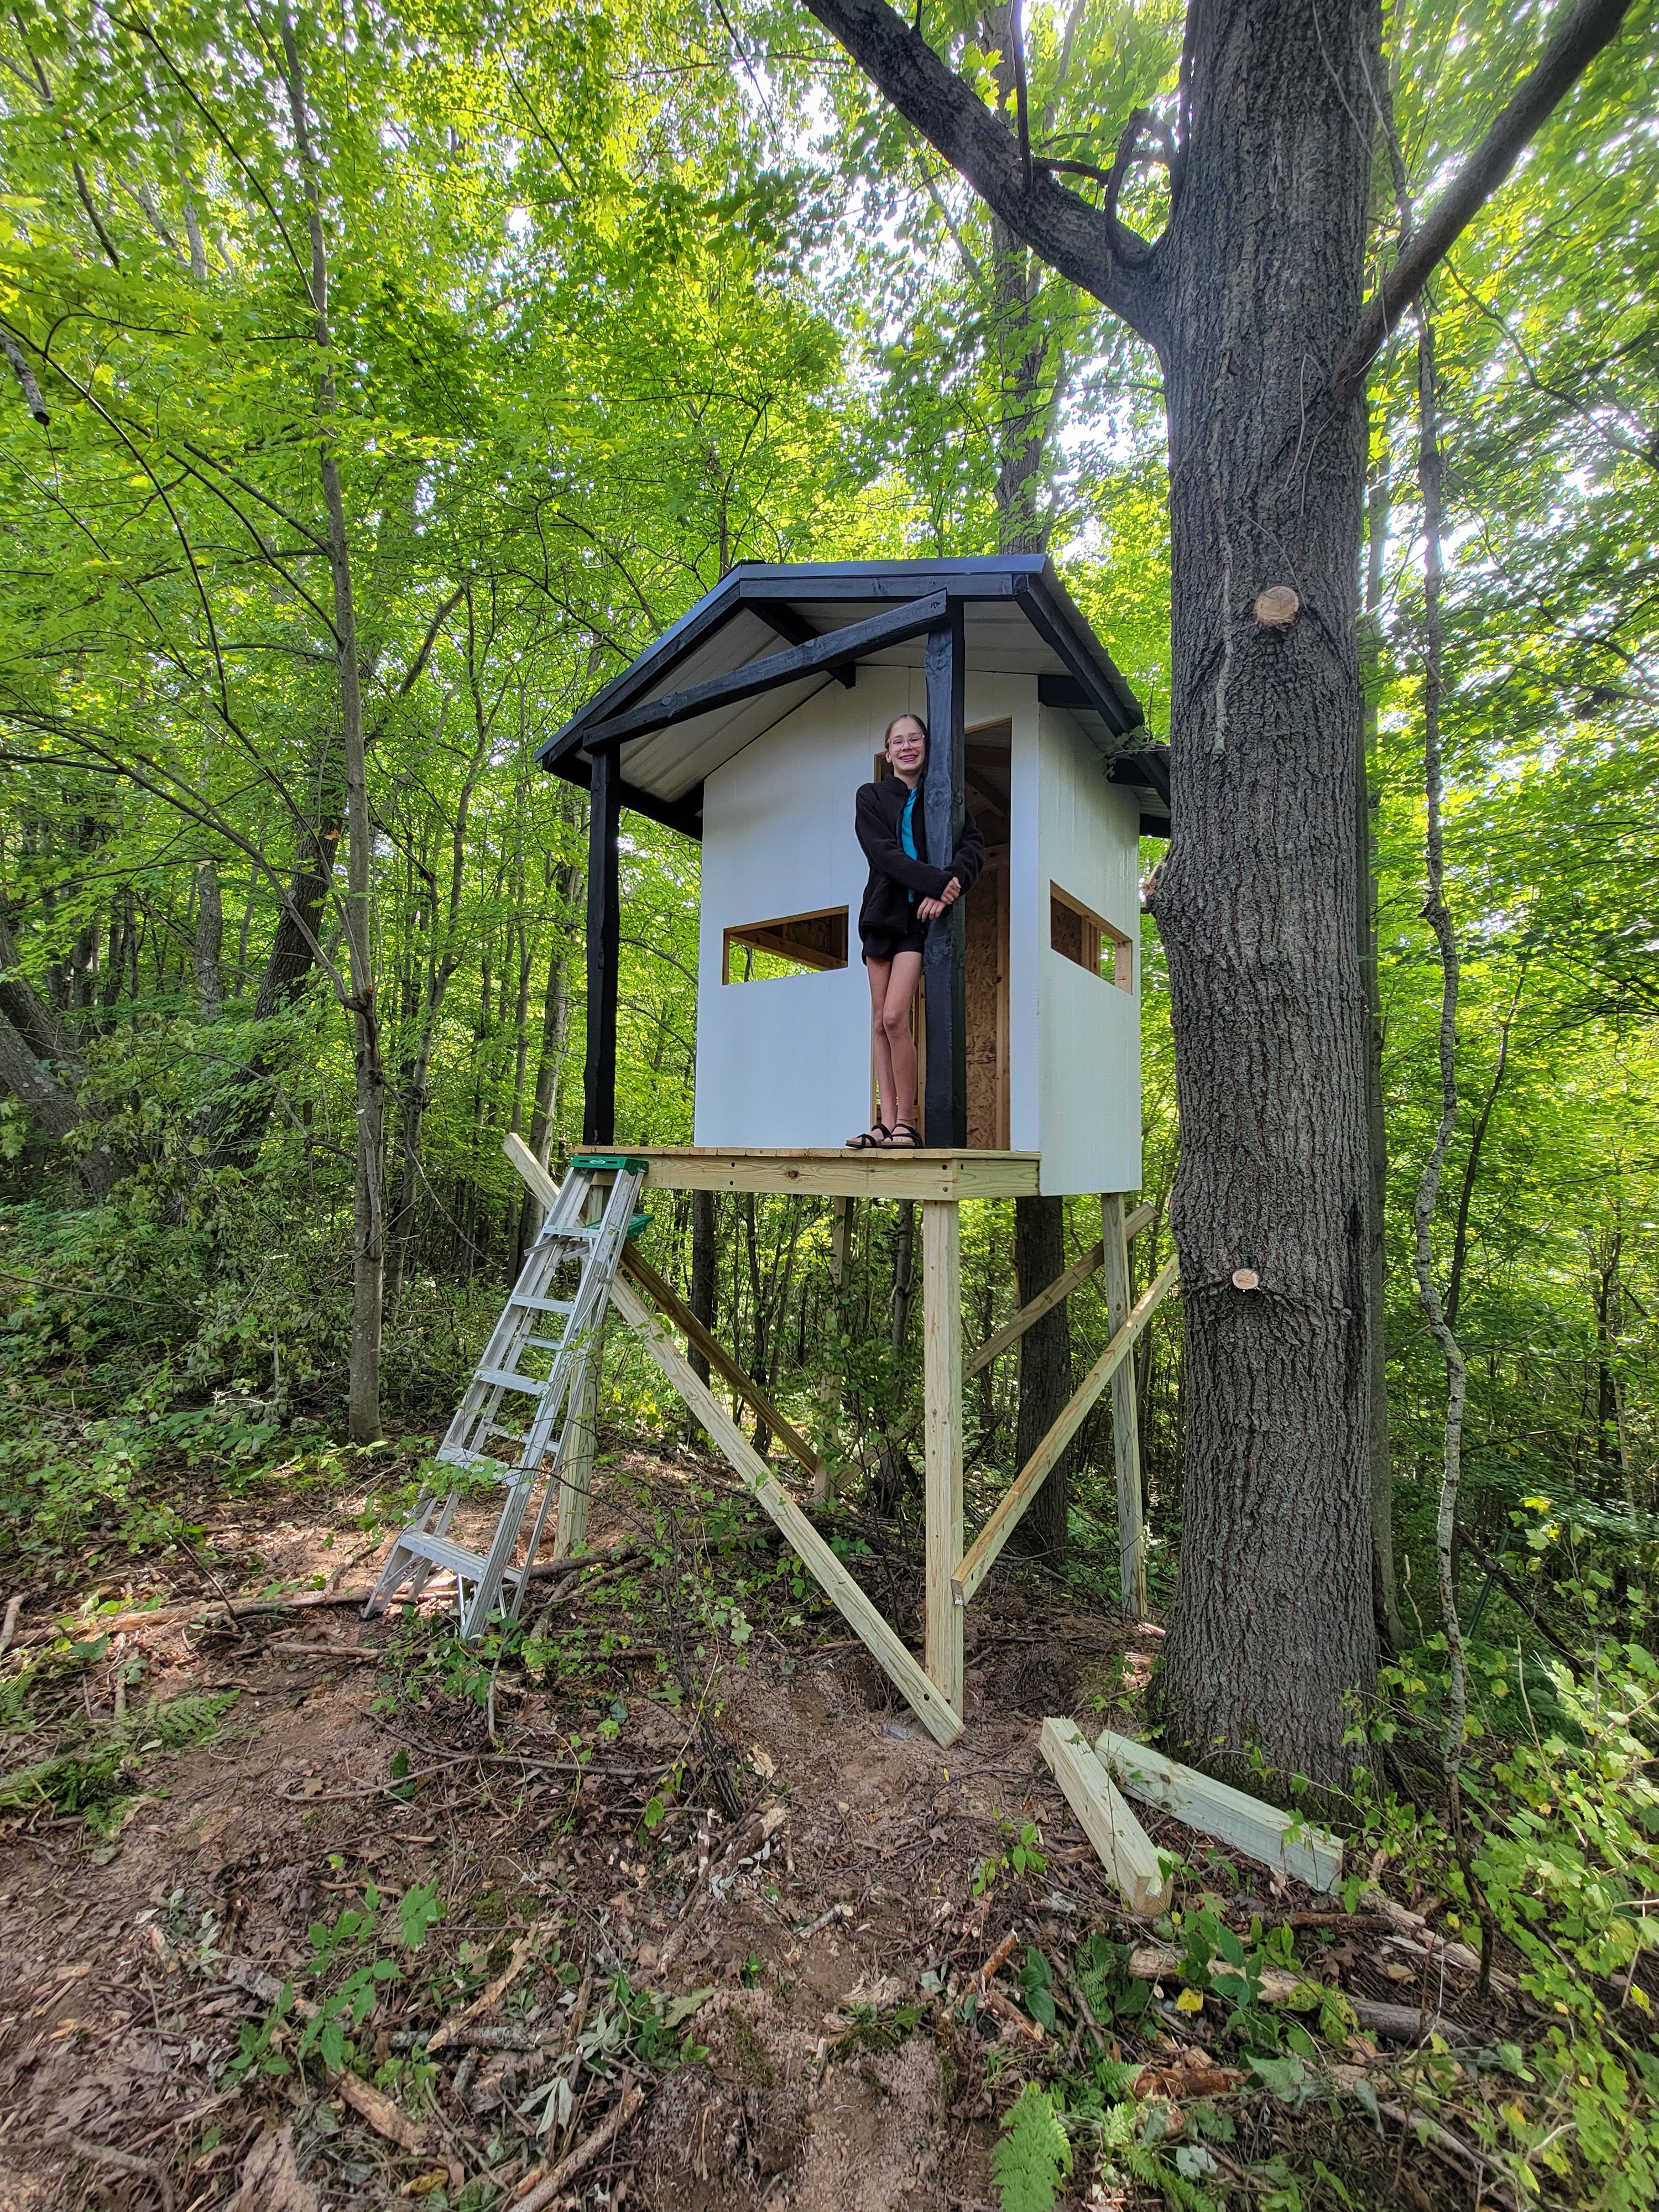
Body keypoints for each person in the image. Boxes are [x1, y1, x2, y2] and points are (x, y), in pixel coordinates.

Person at [847, 711, 984, 1149]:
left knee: (894, 1017)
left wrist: (951, 885)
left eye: (915, 739)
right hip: (881, 915)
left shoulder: (942, 799)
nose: (907, 747)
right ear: (888, 753)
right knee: (878, 1022)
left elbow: (973, 847)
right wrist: (937, 883)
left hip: (916, 922)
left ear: (927, 747)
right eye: (898, 741)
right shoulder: (870, 796)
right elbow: (883, 855)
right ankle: (884, 1124)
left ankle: (906, 1121)